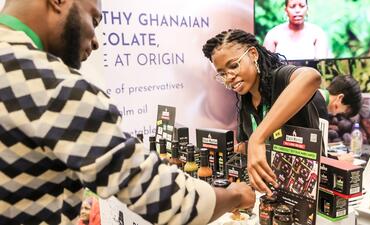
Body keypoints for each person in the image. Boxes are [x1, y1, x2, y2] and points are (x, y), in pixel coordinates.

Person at [0, 0, 255, 224]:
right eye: (94, 18)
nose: (97, 41)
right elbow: (172, 202)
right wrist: (236, 195)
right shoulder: (54, 87)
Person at [202, 29, 321, 194]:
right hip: (275, 188)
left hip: (308, 187)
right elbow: (252, 145)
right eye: (222, 74)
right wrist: (242, 147)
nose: (229, 77)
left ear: (253, 54)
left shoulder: (280, 78)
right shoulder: (246, 101)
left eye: (234, 66)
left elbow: (311, 77)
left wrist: (258, 137)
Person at [263, 0, 330, 60]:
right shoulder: (273, 34)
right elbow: (267, 67)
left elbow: (322, 66)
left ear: (307, 8)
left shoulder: (318, 34)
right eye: (292, 6)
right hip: (281, 74)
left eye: (302, 6)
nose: (297, 10)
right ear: (286, 10)